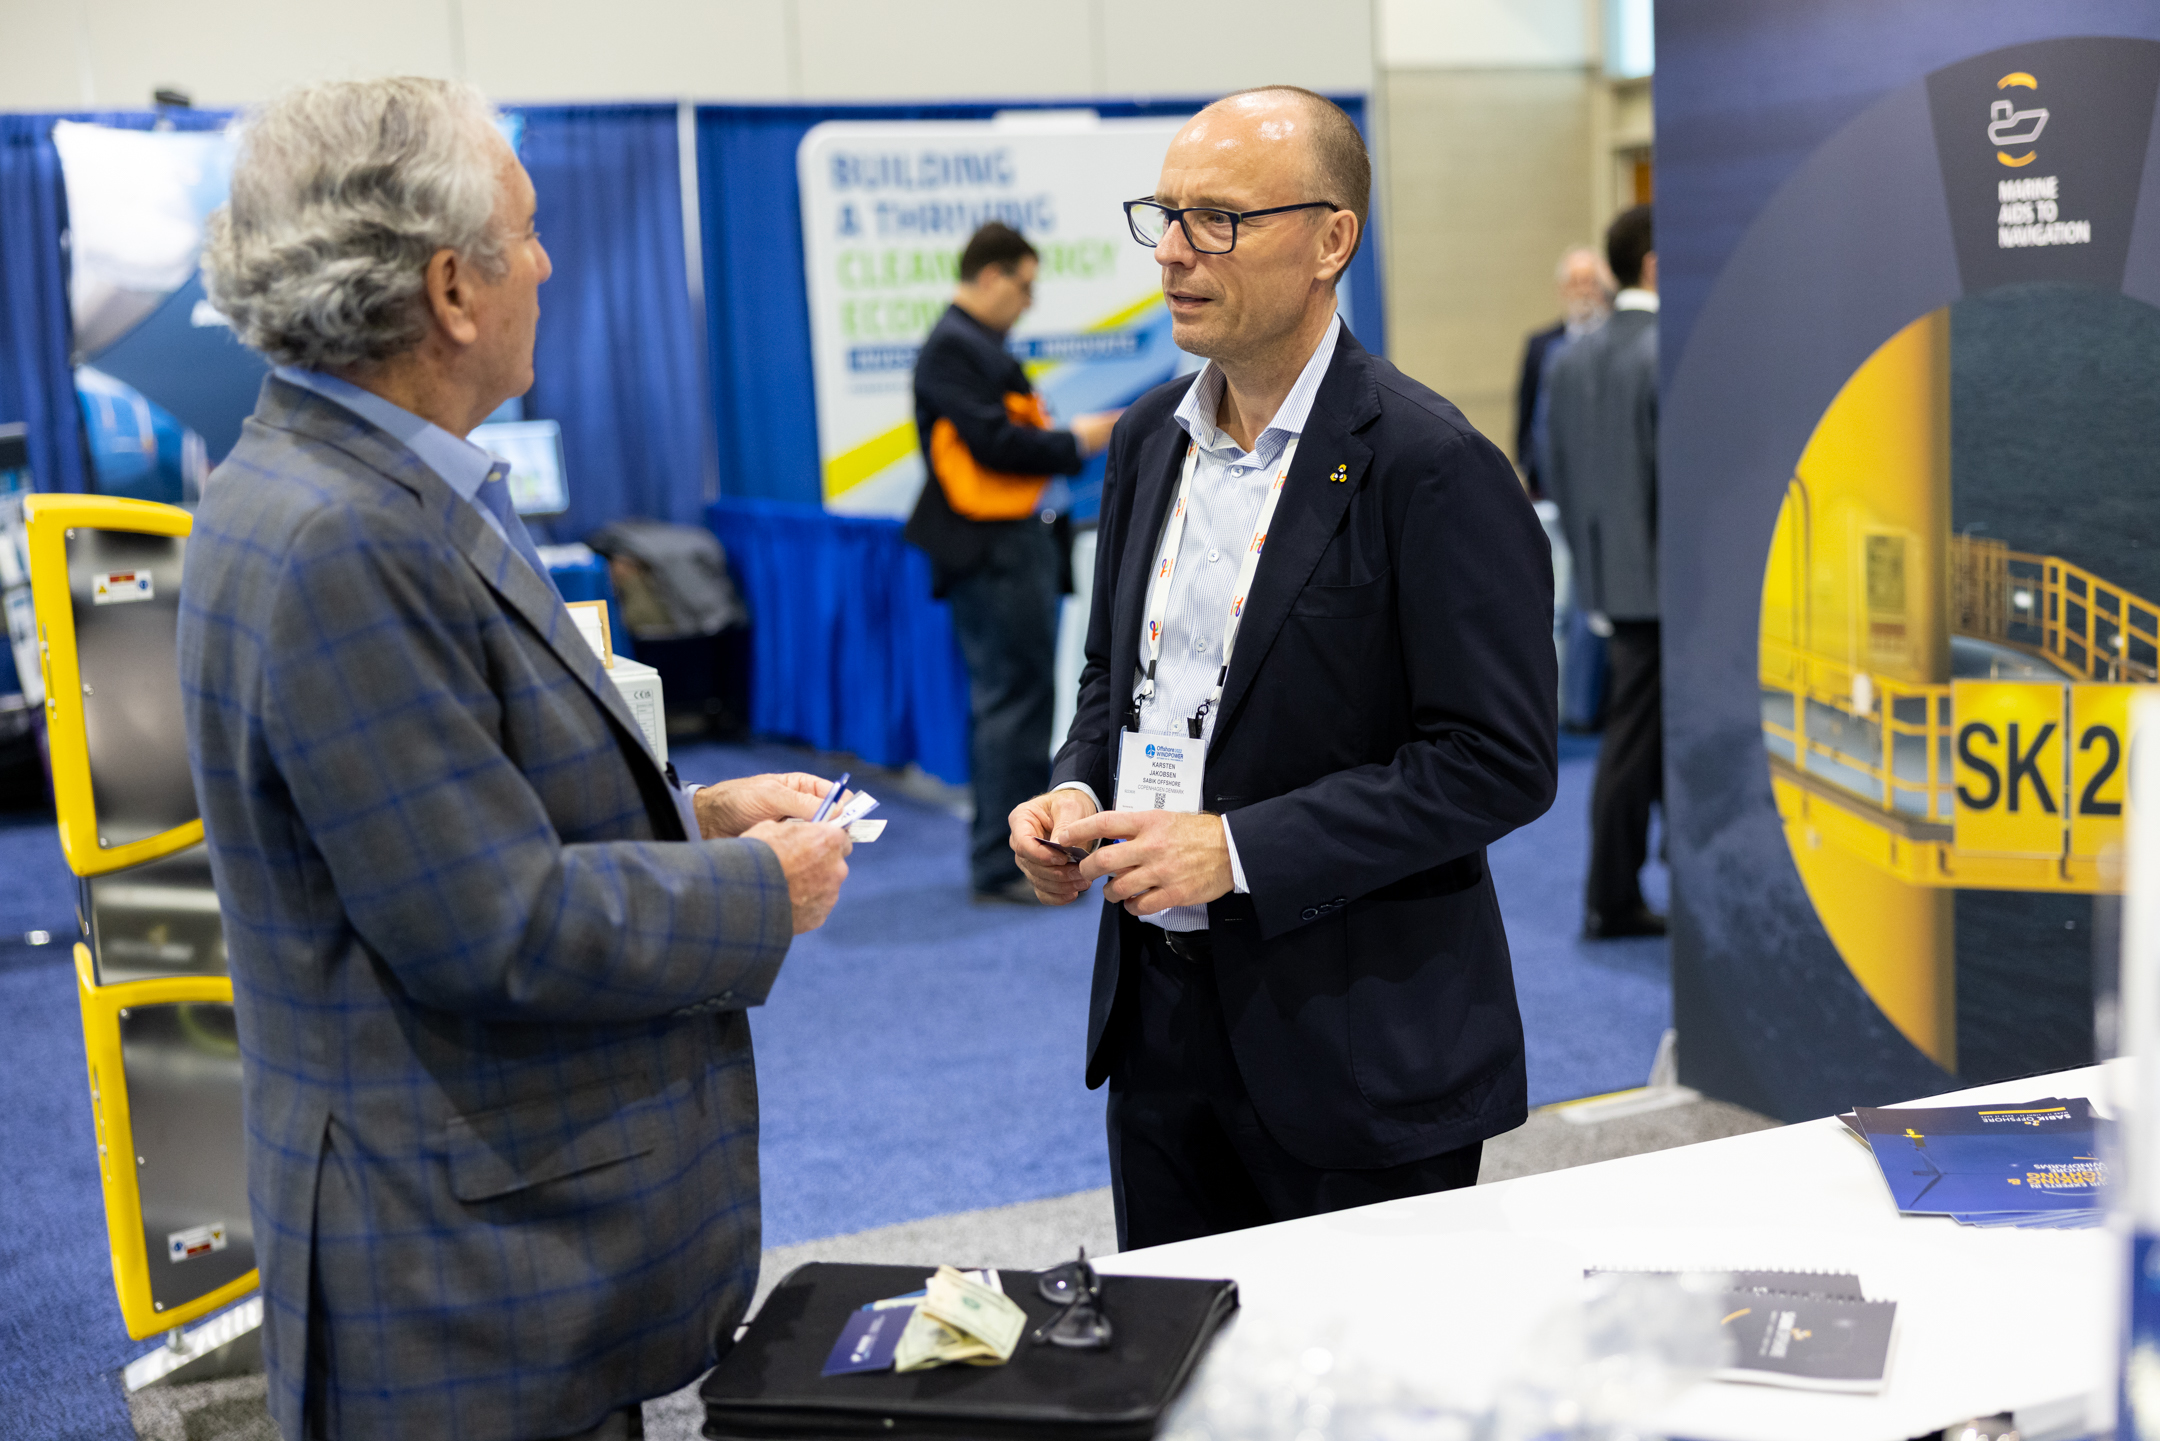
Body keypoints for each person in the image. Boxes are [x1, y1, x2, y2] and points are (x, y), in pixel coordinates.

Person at [180, 79, 853, 1441]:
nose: (546, 262)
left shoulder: (368, 485)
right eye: (529, 231)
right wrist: (753, 886)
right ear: (451, 288)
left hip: (483, 1251)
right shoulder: (345, 535)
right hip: (455, 1285)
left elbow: (451, 808)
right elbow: (492, 925)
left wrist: (694, 811)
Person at [1004, 87, 1558, 1249]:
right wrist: (1076, 788)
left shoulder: (1433, 464)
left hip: (1351, 1038)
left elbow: (1496, 763)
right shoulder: (1153, 438)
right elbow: (1118, 672)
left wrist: (1240, 848)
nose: (1171, 253)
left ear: (1330, 240)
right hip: (1156, 1017)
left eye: (1218, 220)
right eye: (1164, 216)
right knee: (1187, 1373)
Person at [905, 223, 1119, 903]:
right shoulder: (954, 348)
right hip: (992, 548)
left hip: (1011, 544)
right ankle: (1004, 864)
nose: (1029, 302)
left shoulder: (973, 346)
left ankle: (1013, 857)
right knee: (1012, 702)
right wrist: (1076, 440)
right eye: (1024, 286)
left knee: (1017, 699)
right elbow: (997, 444)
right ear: (991, 275)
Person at [1542, 203, 1662, 940]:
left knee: (1632, 738)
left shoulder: (1572, 354)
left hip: (1607, 577)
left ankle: (1615, 892)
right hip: (1674, 587)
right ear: (1653, 263)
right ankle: (1612, 897)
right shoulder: (1669, 348)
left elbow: (1559, 466)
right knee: (1637, 745)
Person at [1514, 246, 1611, 500]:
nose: (1583, 290)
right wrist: (1529, 466)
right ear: (1562, 289)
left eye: (1590, 281)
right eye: (1575, 282)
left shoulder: (1619, 345)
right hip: (1551, 482)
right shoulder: (1540, 346)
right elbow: (1525, 412)